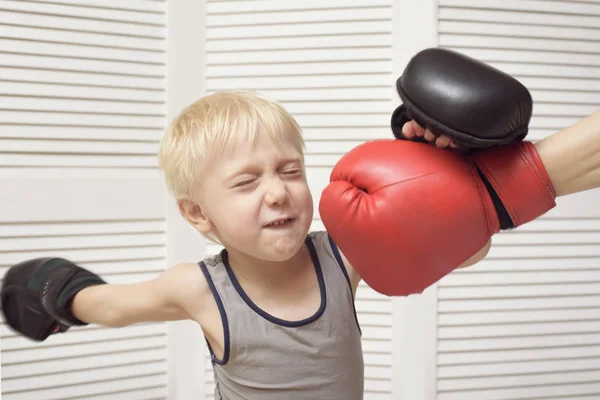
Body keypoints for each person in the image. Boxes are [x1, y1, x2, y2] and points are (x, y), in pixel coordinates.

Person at [2, 50, 600, 399]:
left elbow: (462, 250)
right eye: (245, 182)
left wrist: (446, 177)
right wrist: (58, 294)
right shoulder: (201, 288)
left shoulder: (341, 253)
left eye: (289, 170)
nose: (277, 192)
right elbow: (115, 306)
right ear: (197, 213)